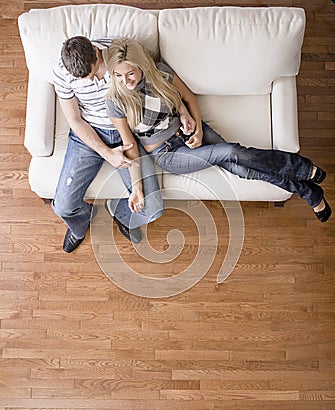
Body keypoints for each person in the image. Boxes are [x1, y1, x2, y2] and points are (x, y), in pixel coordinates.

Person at [105, 37, 331, 223]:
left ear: (141, 66)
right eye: (118, 75)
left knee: (242, 170)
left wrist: (195, 127)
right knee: (231, 152)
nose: (126, 81)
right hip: (168, 154)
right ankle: (303, 168)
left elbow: (188, 98)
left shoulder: (160, 73)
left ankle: (310, 193)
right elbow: (130, 145)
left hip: (190, 131)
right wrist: (137, 187)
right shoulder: (115, 101)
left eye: (131, 73)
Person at [52, 36, 163, 253]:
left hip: (125, 131)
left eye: (94, 74)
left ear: (96, 51)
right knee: (63, 207)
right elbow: (75, 120)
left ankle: (120, 213)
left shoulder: (120, 55)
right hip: (89, 133)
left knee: (152, 210)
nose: (91, 81)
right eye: (84, 78)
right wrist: (107, 153)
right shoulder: (62, 70)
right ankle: (80, 224)